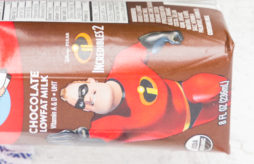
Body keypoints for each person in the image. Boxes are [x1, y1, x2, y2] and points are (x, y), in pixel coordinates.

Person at [59, 30, 227, 141]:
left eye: (83, 91)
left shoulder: (124, 64)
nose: (87, 99)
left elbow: (148, 43)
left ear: (90, 81)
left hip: (188, 90)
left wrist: (167, 36)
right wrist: (77, 137)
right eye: (81, 104)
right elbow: (95, 137)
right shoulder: (105, 124)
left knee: (202, 88)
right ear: (86, 109)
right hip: (191, 119)